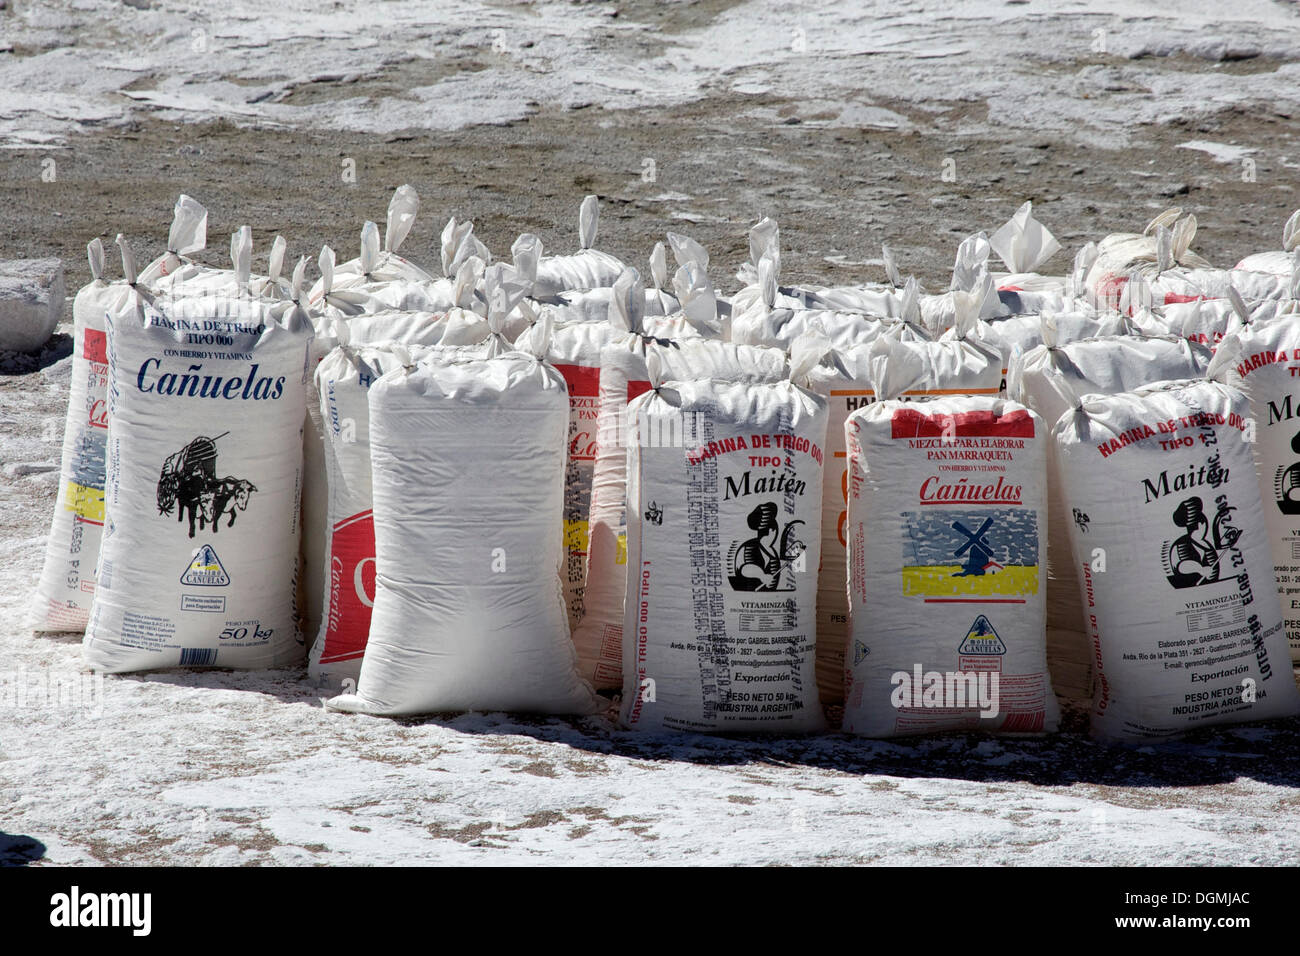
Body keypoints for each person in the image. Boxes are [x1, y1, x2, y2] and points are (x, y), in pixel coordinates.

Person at [1167, 496, 1219, 588]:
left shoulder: (1205, 544)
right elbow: (1180, 566)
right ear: (1200, 524)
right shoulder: (1181, 544)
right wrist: (1200, 569)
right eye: (1205, 524)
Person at [730, 502, 782, 591]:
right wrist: (762, 576)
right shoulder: (748, 547)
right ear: (772, 531)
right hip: (747, 594)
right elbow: (743, 568)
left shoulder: (772, 552)